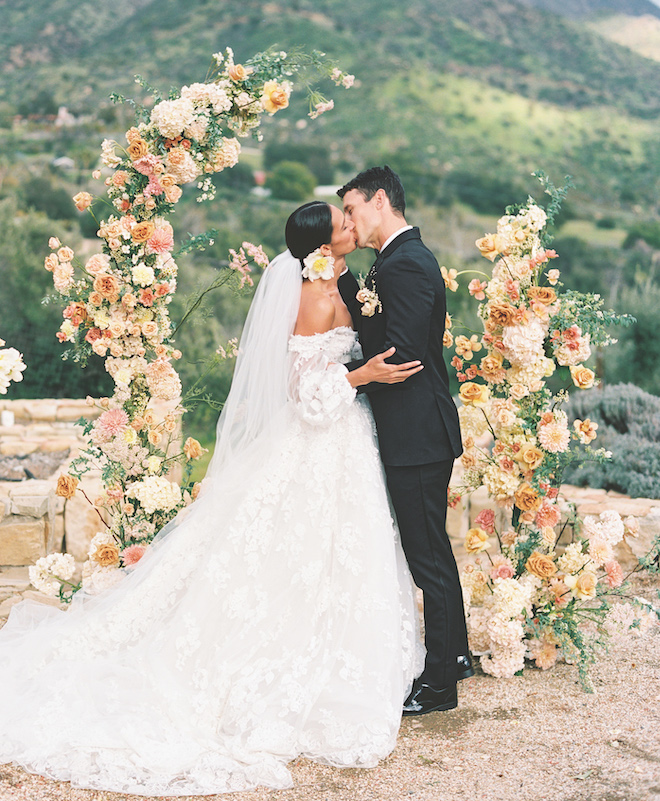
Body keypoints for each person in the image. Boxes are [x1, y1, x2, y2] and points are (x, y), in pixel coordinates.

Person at [0, 200, 426, 796]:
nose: (353, 227)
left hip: (343, 446)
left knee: (334, 556)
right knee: (295, 559)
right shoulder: (314, 295)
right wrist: (359, 378)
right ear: (324, 245)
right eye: (343, 224)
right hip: (320, 440)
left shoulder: (335, 282)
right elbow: (304, 394)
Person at [337, 166, 474, 716]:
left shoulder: (408, 263)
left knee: (427, 559)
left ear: (378, 201)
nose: (348, 220)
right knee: (431, 552)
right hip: (412, 431)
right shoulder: (391, 261)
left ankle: (440, 684)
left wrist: (340, 368)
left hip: (417, 433)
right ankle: (455, 655)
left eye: (351, 209)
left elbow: (401, 354)